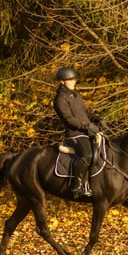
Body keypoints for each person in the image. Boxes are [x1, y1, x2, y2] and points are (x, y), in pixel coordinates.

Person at [53, 66, 103, 198]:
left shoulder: (76, 95)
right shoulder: (60, 99)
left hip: (86, 132)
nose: (74, 81)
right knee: (87, 155)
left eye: (74, 79)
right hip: (74, 134)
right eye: (70, 79)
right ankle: (78, 186)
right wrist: (86, 126)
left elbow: (85, 113)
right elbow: (68, 119)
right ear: (62, 81)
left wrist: (97, 119)